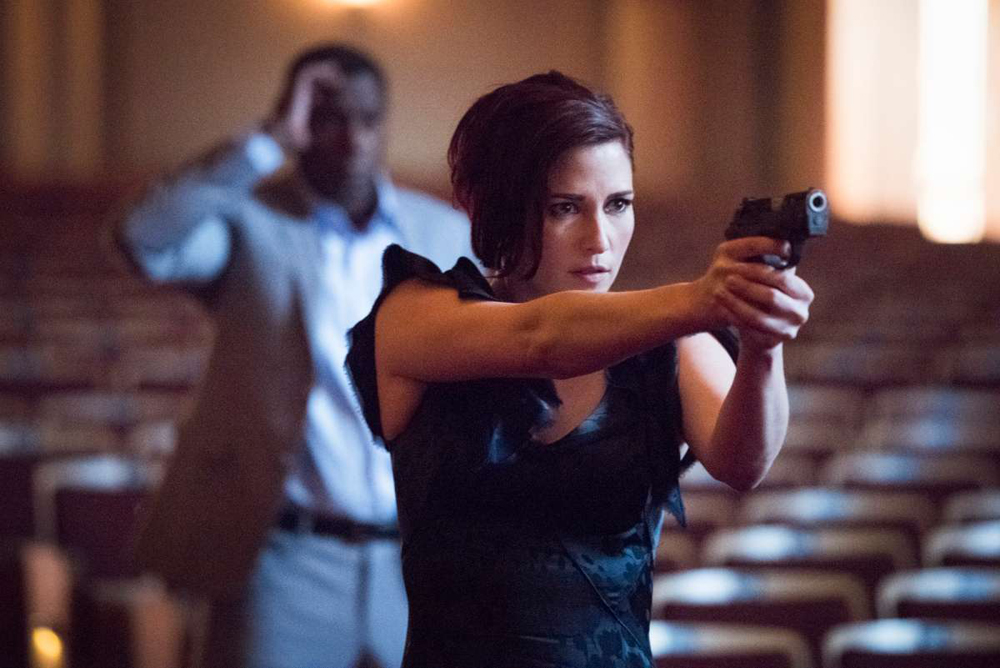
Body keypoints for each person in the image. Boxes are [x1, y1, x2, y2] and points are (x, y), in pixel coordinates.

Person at [345, 71, 814, 667]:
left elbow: (743, 464)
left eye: (618, 205)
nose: (600, 240)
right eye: (565, 208)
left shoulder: (676, 344)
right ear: (497, 206)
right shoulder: (416, 316)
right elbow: (541, 339)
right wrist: (704, 298)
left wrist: (763, 344)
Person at [112, 44, 471, 668]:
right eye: (331, 120)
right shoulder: (251, 223)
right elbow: (141, 239)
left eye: (368, 119)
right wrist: (266, 141)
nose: (353, 139)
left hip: (419, 562)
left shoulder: (444, 234)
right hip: (285, 563)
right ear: (300, 122)